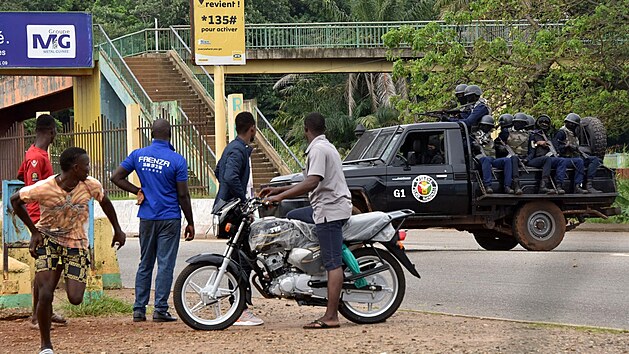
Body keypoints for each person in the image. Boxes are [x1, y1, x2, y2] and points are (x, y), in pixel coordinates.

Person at [11, 147, 126, 354]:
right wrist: (33, 232)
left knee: (75, 298)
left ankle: (55, 272)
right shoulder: (44, 187)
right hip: (48, 240)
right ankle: (46, 346)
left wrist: (117, 230)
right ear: (75, 168)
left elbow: (106, 202)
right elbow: (15, 200)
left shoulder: (91, 185)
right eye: (86, 165)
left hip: (76, 244)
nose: (89, 169)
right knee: (46, 293)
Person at [260, 112, 352, 329]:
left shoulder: (318, 150)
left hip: (330, 212)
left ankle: (331, 316)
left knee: (333, 263)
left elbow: (312, 182)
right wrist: (278, 189)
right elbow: (306, 180)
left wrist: (279, 197)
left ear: (306, 129)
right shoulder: (325, 146)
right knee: (292, 218)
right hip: (326, 207)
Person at [110, 119, 194, 323]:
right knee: (165, 264)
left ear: (151, 134)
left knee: (145, 262)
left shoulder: (138, 155)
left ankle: (139, 309)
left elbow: (116, 177)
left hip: (146, 217)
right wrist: (190, 221)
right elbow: (183, 194)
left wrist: (137, 190)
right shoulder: (177, 160)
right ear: (170, 134)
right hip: (169, 217)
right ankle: (160, 310)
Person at [211, 111, 264, 326]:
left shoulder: (233, 148)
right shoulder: (238, 150)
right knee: (241, 260)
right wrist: (242, 199)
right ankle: (239, 308)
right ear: (252, 128)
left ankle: (239, 306)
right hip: (234, 211)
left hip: (230, 208)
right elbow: (229, 176)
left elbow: (218, 171)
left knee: (240, 258)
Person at [16, 114, 67, 329]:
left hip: (45, 216)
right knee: (45, 268)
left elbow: (21, 177)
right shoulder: (38, 157)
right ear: (50, 131)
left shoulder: (32, 153)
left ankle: (46, 310)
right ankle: (38, 315)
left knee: (51, 264)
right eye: (55, 132)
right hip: (41, 219)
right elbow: (35, 188)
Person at [472, 115, 522, 194]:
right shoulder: (474, 136)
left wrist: (501, 148)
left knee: (507, 160)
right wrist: (475, 145)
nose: (488, 128)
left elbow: (494, 148)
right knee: (486, 160)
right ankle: (487, 185)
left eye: (489, 126)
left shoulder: (489, 137)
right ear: (481, 126)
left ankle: (507, 186)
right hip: (481, 159)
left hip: (492, 159)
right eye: (486, 126)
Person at [553, 113, 601, 193]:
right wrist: (566, 147)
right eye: (570, 123)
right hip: (565, 158)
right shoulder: (561, 133)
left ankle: (589, 184)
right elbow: (556, 149)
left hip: (575, 156)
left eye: (573, 124)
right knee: (579, 161)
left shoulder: (574, 135)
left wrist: (575, 148)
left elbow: (578, 148)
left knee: (595, 160)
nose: (571, 125)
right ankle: (577, 186)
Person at [527, 115, 571, 194]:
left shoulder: (549, 137)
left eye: (546, 123)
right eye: (542, 122)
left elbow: (557, 149)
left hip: (549, 159)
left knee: (562, 160)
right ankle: (543, 186)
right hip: (535, 159)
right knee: (546, 159)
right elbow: (531, 149)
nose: (544, 124)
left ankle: (559, 185)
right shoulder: (532, 135)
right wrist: (538, 143)